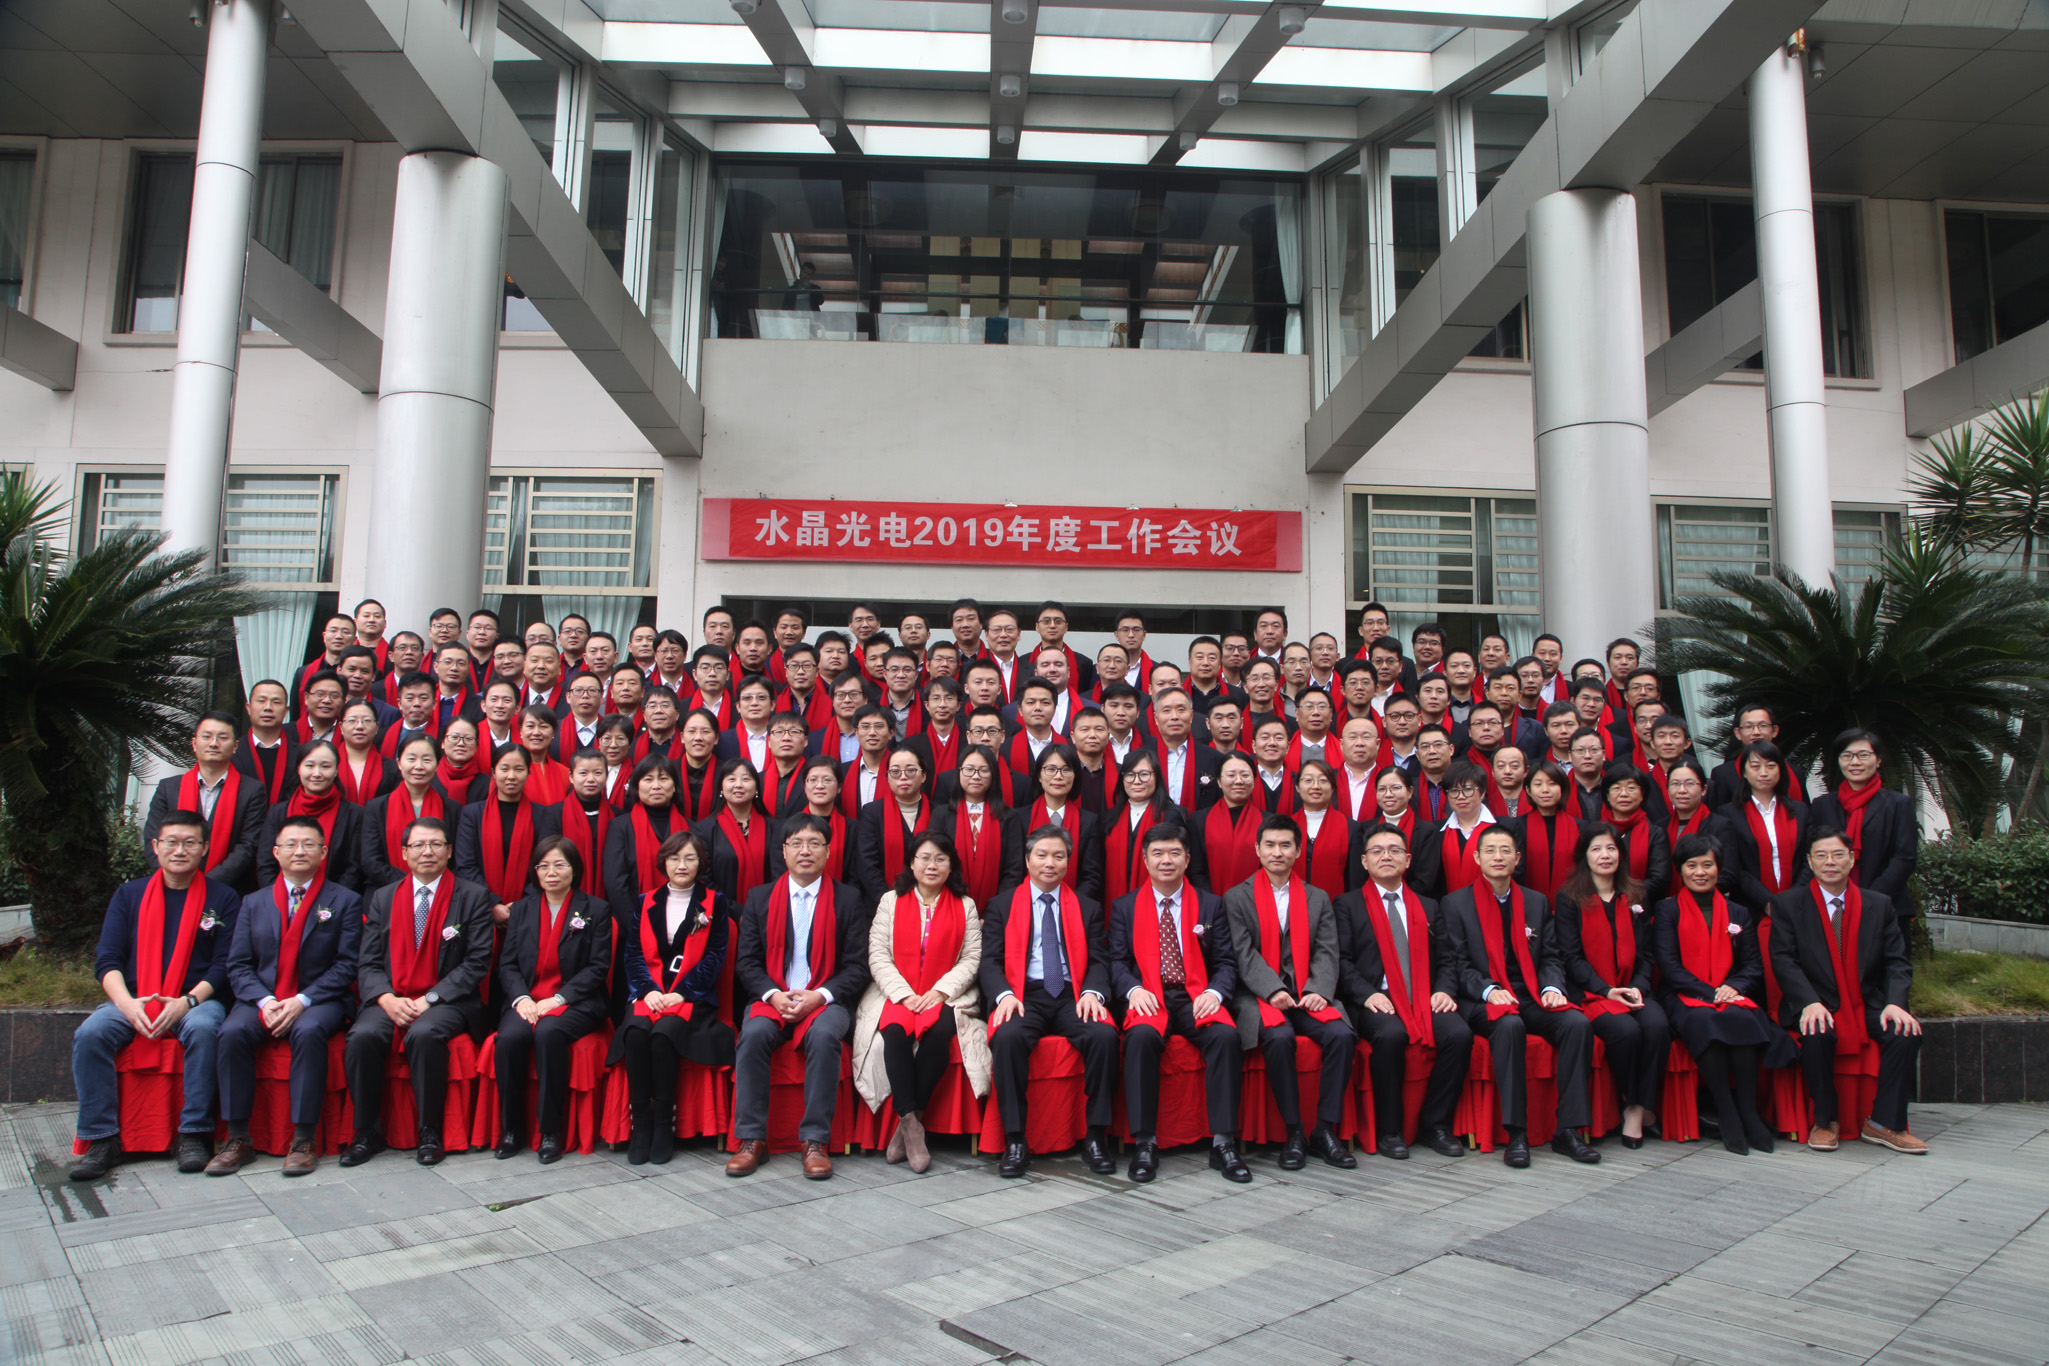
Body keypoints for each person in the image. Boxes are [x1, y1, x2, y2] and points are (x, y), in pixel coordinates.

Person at [68, 810, 241, 1180]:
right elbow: (107, 960)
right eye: (171, 842)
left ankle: (194, 1134)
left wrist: (187, 1002)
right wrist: (127, 1004)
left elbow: (225, 965)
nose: (180, 850)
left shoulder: (223, 898)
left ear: (204, 849)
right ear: (155, 846)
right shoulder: (128, 895)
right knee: (90, 1034)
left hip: (195, 1000)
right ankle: (101, 1139)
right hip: (135, 998)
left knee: (204, 1029)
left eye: (190, 843)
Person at [209, 815, 364, 1177]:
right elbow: (238, 964)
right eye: (291, 844)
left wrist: (302, 1000)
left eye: (309, 844)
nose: (299, 851)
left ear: (323, 852)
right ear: (276, 852)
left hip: (320, 999)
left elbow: (347, 965)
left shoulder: (345, 901)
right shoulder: (253, 902)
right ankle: (237, 1138)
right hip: (262, 997)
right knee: (232, 1033)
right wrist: (265, 1002)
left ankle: (305, 1139)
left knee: (308, 1031)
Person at [1441, 824, 1601, 1168]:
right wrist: (1489, 990)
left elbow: (1551, 957)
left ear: (1517, 858)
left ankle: (1569, 1130)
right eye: (1490, 850)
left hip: (1530, 993)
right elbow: (1457, 964)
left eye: (1505, 851)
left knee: (1576, 1024)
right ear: (1477, 857)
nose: (1498, 857)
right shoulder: (1455, 904)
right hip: (1483, 999)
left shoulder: (1535, 901)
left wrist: (1552, 988)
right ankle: (1516, 1133)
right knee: (1509, 1026)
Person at [341, 816, 496, 1167]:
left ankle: (430, 1131)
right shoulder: (383, 897)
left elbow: (476, 962)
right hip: (391, 997)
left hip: (447, 1000)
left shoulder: (472, 896)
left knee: (424, 1035)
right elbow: (368, 962)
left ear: (449, 851)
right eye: (419, 845)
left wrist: (429, 999)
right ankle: (366, 1132)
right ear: (404, 853)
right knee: (363, 1036)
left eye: (436, 844)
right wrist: (386, 999)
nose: (427, 852)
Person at [727, 815, 870, 1180]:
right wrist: (773, 995)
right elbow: (747, 962)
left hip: (825, 999)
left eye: (814, 843)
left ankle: (815, 1141)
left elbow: (857, 967)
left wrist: (819, 996)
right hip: (773, 997)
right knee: (753, 1035)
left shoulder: (848, 899)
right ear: (784, 851)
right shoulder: (759, 898)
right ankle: (751, 1139)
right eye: (796, 843)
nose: (805, 851)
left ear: (828, 851)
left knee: (823, 1036)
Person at [1108, 824, 1249, 1182]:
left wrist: (1214, 993)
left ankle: (1224, 1142)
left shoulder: (1210, 904)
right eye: (1157, 853)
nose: (1166, 860)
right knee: (1140, 1038)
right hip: (1149, 995)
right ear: (1145, 860)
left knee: (1226, 1037)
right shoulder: (1125, 906)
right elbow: (1117, 963)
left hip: (1194, 995)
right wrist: (1132, 990)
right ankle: (1145, 1142)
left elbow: (1226, 963)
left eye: (1174, 853)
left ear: (1187, 859)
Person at [1772, 825, 1925, 1154]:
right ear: (1810, 862)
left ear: (1852, 859)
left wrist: (1896, 1003)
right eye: (1821, 855)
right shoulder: (1789, 905)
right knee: (1816, 1032)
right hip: (1816, 1001)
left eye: (1838, 854)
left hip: (1866, 1002)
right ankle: (1825, 1121)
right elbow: (1784, 961)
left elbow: (1897, 962)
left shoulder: (1879, 905)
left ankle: (1884, 1124)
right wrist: (1808, 1002)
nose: (1830, 862)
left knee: (1904, 1032)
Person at [980, 823, 1119, 1178]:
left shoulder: (1086, 906)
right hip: (1023, 994)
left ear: (1068, 862)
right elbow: (990, 962)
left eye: (1058, 856)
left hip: (1073, 994)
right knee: (1008, 1037)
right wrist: (1004, 995)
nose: (1050, 863)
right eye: (1041, 855)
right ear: (1027, 859)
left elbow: (1100, 961)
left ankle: (1096, 1136)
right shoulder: (1002, 904)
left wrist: (1092, 992)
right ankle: (1015, 1139)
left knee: (1104, 1036)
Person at [1221, 816, 1356, 1170]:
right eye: (1270, 845)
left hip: (1308, 994)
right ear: (1257, 850)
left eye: (1285, 845)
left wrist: (1319, 990)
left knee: (1341, 1035)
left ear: (1298, 851)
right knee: (1279, 1039)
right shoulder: (1236, 897)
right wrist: (1273, 990)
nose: (1277, 852)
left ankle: (1324, 1130)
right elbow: (1243, 954)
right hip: (1260, 995)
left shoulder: (1317, 897)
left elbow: (1327, 950)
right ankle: (1294, 1131)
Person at [1333, 823, 1470, 1160]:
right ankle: (1390, 1129)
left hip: (1423, 996)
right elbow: (1342, 963)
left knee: (1459, 1034)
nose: (1386, 856)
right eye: (1377, 851)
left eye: (1394, 850)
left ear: (1408, 860)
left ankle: (1434, 1124)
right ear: (1364, 861)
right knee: (1391, 1035)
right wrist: (1367, 995)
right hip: (1375, 998)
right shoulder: (1347, 904)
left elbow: (1447, 959)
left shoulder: (1429, 906)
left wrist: (1444, 990)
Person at [853, 830, 988, 1173]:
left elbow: (971, 959)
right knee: (895, 1035)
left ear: (951, 866)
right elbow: (878, 954)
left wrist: (940, 992)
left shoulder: (965, 906)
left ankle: (908, 1124)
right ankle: (912, 1126)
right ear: (911, 864)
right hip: (896, 992)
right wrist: (903, 994)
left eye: (941, 859)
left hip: (945, 994)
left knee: (939, 1035)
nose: (932, 866)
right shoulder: (890, 901)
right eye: (924, 858)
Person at [1655, 834, 1794, 1155]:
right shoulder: (1667, 910)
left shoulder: (1738, 912)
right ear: (1680, 870)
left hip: (1728, 991)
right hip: (1682, 993)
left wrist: (1734, 987)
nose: (1700, 872)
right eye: (1692, 865)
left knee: (1741, 1017)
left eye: (1707, 864)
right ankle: (1728, 1113)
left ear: (1719, 868)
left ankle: (1748, 1111)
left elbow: (1752, 965)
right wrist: (1710, 993)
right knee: (1705, 1019)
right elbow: (1669, 966)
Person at [493, 837, 615, 1162]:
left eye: (560, 865)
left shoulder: (596, 910)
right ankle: (511, 1129)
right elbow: (507, 964)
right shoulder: (521, 909)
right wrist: (521, 998)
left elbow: (598, 967)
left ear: (574, 869)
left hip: (577, 1001)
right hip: (528, 1000)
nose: (551, 872)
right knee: (509, 1038)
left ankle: (550, 1131)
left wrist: (559, 999)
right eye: (543, 866)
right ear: (535, 872)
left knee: (549, 1033)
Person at [615, 831, 732, 1166]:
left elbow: (714, 956)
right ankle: (642, 1124)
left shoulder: (714, 902)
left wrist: (682, 992)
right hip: (649, 992)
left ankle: (664, 1123)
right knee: (635, 1033)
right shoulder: (645, 902)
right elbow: (633, 954)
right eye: (674, 858)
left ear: (700, 863)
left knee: (663, 1036)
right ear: (663, 862)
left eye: (689, 858)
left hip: (692, 995)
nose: (682, 865)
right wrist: (648, 990)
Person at [1552, 822, 1667, 1148]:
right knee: (1625, 1032)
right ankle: (1631, 1102)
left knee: (1658, 1026)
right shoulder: (1569, 898)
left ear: (1621, 854)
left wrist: (1639, 987)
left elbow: (1646, 954)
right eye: (1597, 849)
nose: (1605, 855)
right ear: (1584, 856)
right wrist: (1606, 990)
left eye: (1611, 848)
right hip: (1592, 993)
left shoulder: (1637, 895)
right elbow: (1570, 957)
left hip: (1633, 987)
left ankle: (1637, 1107)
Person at [143, 711, 269, 894]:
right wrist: (175, 878)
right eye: (207, 736)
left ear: (235, 746)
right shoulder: (168, 788)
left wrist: (208, 885)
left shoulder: (252, 791)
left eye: (222, 738)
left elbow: (248, 845)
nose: (214, 743)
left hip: (225, 891)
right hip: (172, 888)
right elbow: (152, 838)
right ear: (194, 743)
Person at [1808, 730, 1920, 917]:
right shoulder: (1822, 805)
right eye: (1847, 756)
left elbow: (1905, 858)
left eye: (1863, 755)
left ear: (1878, 760)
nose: (1855, 762)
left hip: (1885, 906)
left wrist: (1869, 899)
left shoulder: (1898, 804)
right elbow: (1813, 854)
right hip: (1833, 906)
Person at [255, 742, 366, 891]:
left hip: (334, 899)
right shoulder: (278, 812)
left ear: (336, 771)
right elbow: (266, 864)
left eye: (325, 766)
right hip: (280, 897)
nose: (317, 773)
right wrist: (283, 897)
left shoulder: (355, 814)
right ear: (299, 769)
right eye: (309, 765)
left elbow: (354, 868)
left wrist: (332, 900)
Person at [1006, 743, 1103, 900]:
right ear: (1039, 775)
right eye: (1051, 769)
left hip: (1073, 904)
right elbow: (1013, 870)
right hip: (1026, 903)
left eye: (1066, 770)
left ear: (1075, 776)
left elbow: (1091, 876)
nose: (1058, 776)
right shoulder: (1019, 818)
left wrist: (1070, 904)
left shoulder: (1088, 821)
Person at [1725, 740, 1808, 915]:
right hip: (1750, 907)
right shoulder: (1729, 814)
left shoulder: (1801, 811)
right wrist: (1767, 901)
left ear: (1780, 770)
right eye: (1755, 766)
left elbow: (1809, 859)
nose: (1763, 773)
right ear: (1744, 772)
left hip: (1799, 905)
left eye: (1771, 766)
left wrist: (1792, 898)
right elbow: (1735, 867)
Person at [361, 734, 452, 889]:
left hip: (439, 889)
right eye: (411, 759)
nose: (419, 766)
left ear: (437, 765)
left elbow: (453, 857)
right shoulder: (377, 808)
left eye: (427, 760)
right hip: (388, 889)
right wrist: (412, 885)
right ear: (399, 763)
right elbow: (371, 861)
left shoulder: (451, 808)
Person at [853, 745, 933, 902]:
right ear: (887, 777)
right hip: (883, 902)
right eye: (895, 772)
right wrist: (888, 902)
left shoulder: (938, 812)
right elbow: (867, 863)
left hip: (930, 901)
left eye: (910, 770)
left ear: (923, 776)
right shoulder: (872, 813)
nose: (903, 777)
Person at [1103, 749, 1180, 907]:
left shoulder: (1172, 816)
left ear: (1156, 776)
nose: (1136, 781)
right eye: (1130, 775)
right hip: (1116, 902)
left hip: (1159, 902)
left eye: (1144, 774)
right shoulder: (1110, 818)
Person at [697, 758, 773, 907]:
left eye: (746, 779)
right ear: (721, 787)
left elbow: (780, 876)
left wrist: (760, 912)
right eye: (731, 779)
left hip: (767, 911)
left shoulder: (774, 828)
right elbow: (703, 878)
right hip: (721, 913)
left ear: (757, 787)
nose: (738, 784)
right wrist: (735, 912)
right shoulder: (704, 830)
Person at [1191, 754, 1263, 895]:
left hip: (1254, 901)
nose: (1238, 781)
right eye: (1231, 775)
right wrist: (1213, 902)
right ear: (1219, 781)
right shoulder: (1199, 820)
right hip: (1211, 902)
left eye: (1245, 775)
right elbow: (1195, 871)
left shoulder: (1267, 822)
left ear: (1254, 780)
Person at [1600, 763, 1672, 903]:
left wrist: (1620, 895)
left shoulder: (1655, 834)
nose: (1623, 794)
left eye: (1631, 788)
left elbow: (1659, 880)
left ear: (1642, 795)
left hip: (1641, 905)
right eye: (1616, 788)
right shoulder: (1596, 832)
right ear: (1607, 795)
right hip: (1599, 904)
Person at [1290, 759, 1361, 902]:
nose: (1315, 786)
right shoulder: (1286, 827)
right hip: (1291, 905)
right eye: (1308, 780)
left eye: (1323, 780)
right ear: (1297, 787)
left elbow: (1354, 881)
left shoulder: (1352, 828)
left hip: (1336, 908)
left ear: (1332, 788)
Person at [1511, 760, 1579, 901]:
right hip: (1527, 902)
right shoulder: (1517, 826)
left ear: (1562, 788)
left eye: (1552, 784)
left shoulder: (1579, 827)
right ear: (1528, 790)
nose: (1545, 790)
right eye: (1538, 784)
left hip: (1572, 902)